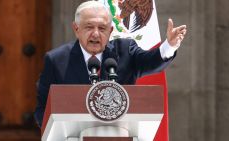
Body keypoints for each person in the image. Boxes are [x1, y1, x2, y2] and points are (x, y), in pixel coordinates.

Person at [34, 0, 187, 127]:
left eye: (102, 28)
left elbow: (151, 62)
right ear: (76, 28)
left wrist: (170, 45)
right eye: (89, 27)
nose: (95, 33)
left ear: (110, 30)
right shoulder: (56, 60)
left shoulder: (125, 51)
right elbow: (43, 110)